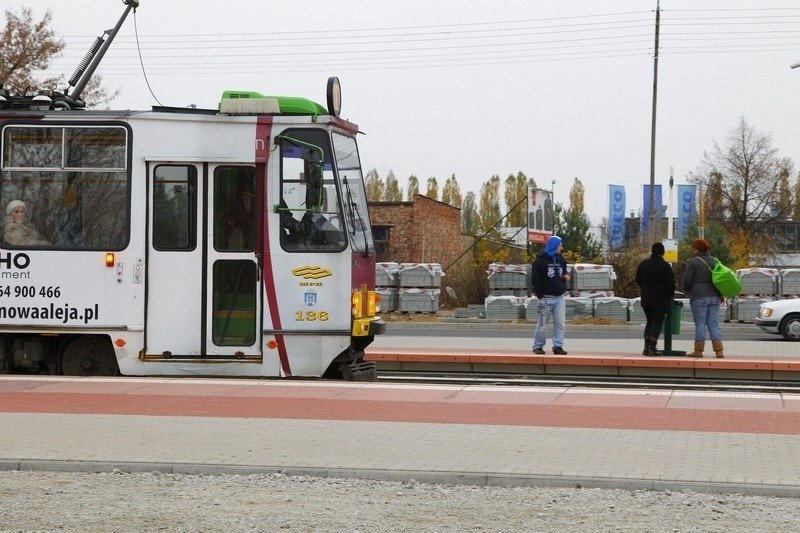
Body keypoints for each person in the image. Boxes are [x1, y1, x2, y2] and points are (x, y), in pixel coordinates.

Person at [683, 238, 724, 358]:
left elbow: (687, 280)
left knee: (700, 323)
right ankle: (719, 350)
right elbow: (720, 279)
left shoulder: (693, 262)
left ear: (696, 248)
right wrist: (720, 294)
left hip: (699, 296)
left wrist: (687, 290)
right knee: (713, 323)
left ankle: (698, 350)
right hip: (715, 296)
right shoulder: (715, 261)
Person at [530, 235, 570, 355]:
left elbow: (565, 271)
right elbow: (535, 280)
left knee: (560, 324)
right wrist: (540, 296)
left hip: (559, 298)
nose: (561, 248)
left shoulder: (560, 259)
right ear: (553, 246)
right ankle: (538, 346)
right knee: (542, 324)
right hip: (545, 298)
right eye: (559, 245)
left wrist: (566, 278)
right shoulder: (539, 262)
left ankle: (558, 346)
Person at [634, 242, 676, 356]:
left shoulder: (643, 264)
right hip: (660, 299)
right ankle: (652, 347)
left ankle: (646, 347)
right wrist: (670, 294)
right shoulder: (665, 266)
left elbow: (637, 279)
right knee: (657, 323)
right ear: (662, 252)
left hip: (646, 298)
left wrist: (646, 287)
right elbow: (671, 284)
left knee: (650, 321)